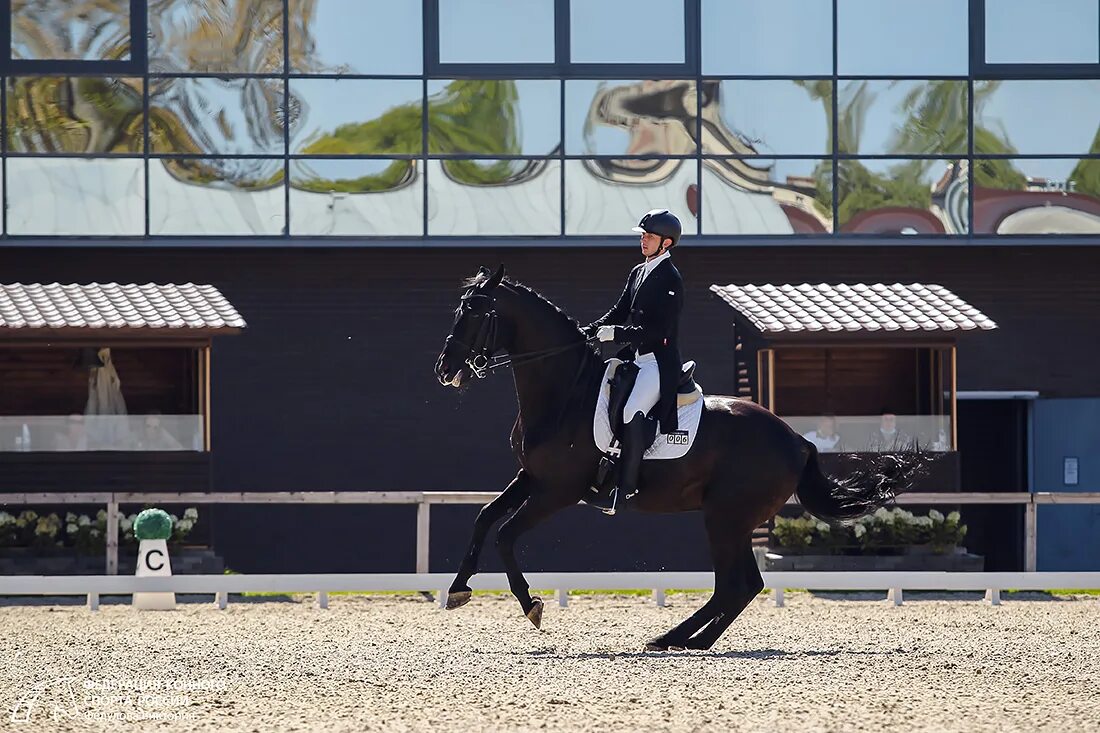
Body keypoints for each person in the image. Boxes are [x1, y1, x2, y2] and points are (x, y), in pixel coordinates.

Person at [583, 209, 685, 507]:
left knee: (631, 411)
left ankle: (626, 488)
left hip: (658, 362)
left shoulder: (670, 279)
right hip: (637, 358)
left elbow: (657, 330)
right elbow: (618, 310)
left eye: (649, 237)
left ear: (666, 244)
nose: (643, 240)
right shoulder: (639, 272)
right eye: (643, 235)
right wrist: (589, 330)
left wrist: (616, 335)